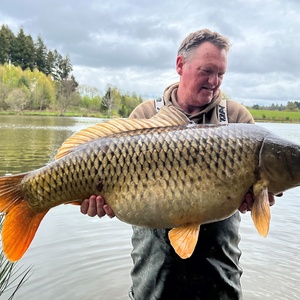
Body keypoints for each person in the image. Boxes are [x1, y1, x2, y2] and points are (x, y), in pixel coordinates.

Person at [80, 29, 277, 300]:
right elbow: (117, 195)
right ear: (180, 65)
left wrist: (260, 199)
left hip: (219, 272)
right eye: (206, 71)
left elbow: (261, 195)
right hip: (153, 272)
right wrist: (101, 204)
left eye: (221, 74)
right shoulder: (146, 116)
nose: (214, 81)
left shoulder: (236, 118)